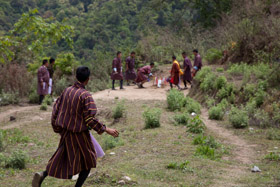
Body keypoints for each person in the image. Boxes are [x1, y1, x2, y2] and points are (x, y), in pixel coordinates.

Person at [32, 66, 119, 187]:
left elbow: (56, 109)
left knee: (61, 157)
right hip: (79, 135)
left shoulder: (67, 91)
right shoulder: (85, 96)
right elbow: (89, 119)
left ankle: (42, 174)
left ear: (76, 77)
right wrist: (106, 129)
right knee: (88, 162)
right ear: (88, 79)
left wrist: (57, 128)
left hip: (66, 133)